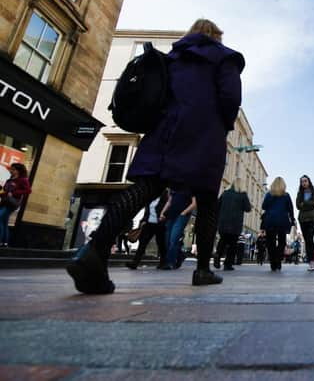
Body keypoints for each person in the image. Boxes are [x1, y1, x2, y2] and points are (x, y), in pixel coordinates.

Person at [66, 18, 245, 293]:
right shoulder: (224, 57)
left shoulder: (171, 57)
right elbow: (231, 98)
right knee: (207, 200)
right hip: (204, 132)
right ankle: (203, 270)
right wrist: (221, 125)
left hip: (163, 129)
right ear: (216, 36)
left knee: (146, 187)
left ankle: (93, 251)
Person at [126, 190, 169, 270]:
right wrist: (143, 220)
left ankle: (163, 263)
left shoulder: (164, 199)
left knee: (161, 244)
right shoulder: (149, 199)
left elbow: (167, 209)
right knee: (142, 243)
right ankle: (134, 263)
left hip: (159, 224)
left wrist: (164, 217)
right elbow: (147, 211)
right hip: (148, 224)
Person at [215, 179, 251, 271]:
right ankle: (228, 264)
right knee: (232, 244)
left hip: (223, 222)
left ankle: (217, 256)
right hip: (235, 223)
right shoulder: (242, 195)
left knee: (222, 240)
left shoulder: (225, 193)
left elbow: (218, 205)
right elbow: (248, 208)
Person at [262, 177, 295, 272]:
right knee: (282, 242)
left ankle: (273, 262)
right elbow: (290, 209)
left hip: (270, 220)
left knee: (270, 242)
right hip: (282, 220)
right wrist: (292, 220)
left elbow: (264, 206)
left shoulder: (269, 194)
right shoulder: (286, 195)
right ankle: (278, 259)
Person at [161, 190, 195, 269]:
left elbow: (194, 203)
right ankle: (180, 256)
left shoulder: (191, 186)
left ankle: (170, 263)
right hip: (171, 215)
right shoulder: (174, 186)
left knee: (174, 238)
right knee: (167, 240)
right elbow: (169, 201)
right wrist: (162, 212)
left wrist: (184, 213)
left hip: (181, 216)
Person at [0, 163, 32, 247]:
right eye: (11, 169)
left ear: (18, 171)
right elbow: (5, 190)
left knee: (0, 219)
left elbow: (28, 190)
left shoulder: (23, 179)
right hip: (4, 202)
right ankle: (4, 242)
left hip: (12, 203)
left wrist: (14, 193)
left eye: (13, 169)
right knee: (4, 222)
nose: (11, 171)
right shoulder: (10, 179)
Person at [296, 175, 314, 272]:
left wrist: (305, 204)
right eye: (302, 181)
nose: (304, 183)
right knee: (307, 240)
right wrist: (309, 203)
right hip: (303, 219)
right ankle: (310, 261)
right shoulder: (299, 194)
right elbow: (298, 205)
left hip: (313, 219)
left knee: (310, 238)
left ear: (309, 181)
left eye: (305, 181)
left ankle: (312, 262)